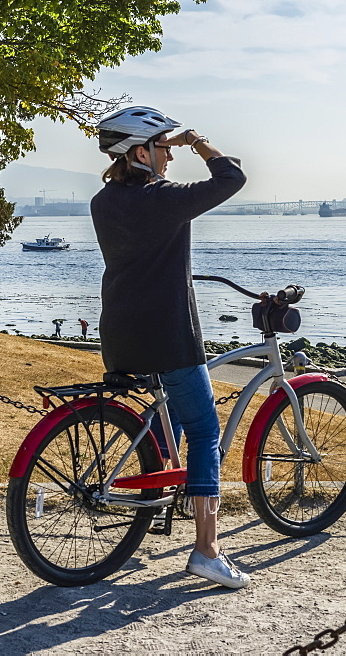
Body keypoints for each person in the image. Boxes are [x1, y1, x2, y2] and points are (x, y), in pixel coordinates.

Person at [90, 105, 249, 589]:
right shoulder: (163, 199)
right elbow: (231, 177)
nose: (169, 155)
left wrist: (169, 144)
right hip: (169, 335)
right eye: (162, 147)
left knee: (172, 416)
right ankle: (207, 550)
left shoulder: (103, 201)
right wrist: (198, 141)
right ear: (140, 152)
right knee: (205, 431)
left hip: (120, 333)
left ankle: (158, 504)